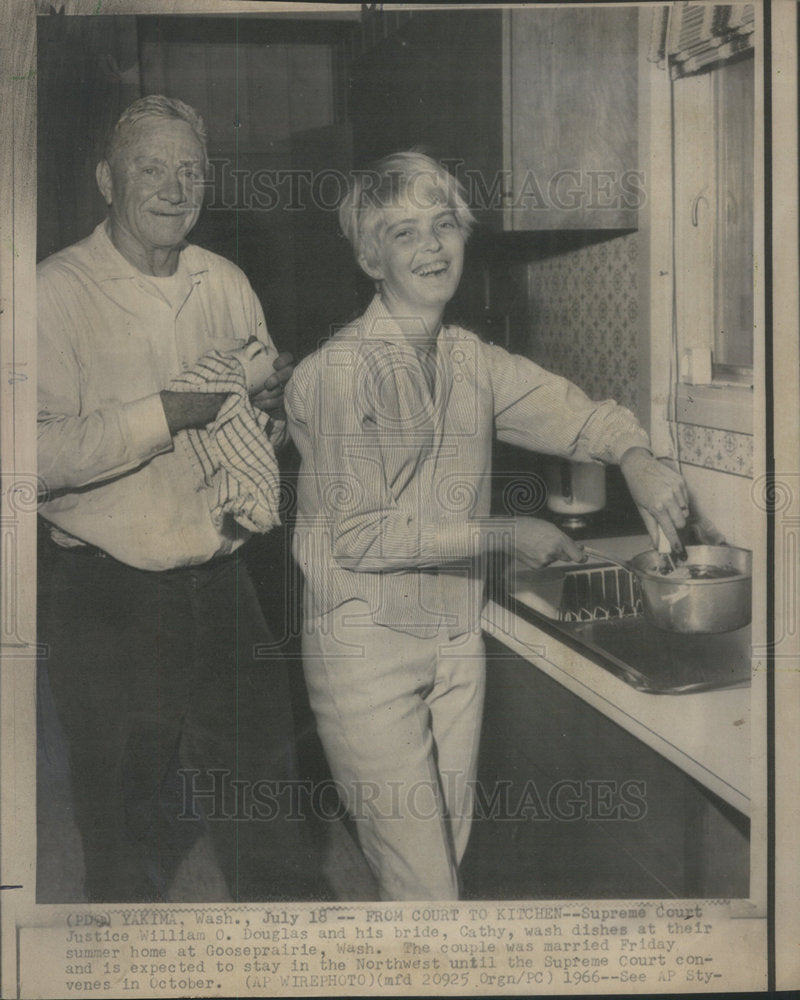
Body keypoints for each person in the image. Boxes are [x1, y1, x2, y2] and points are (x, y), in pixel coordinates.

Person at [284, 151, 691, 901]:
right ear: (371, 256)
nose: (434, 247)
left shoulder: (471, 360)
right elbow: (360, 535)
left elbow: (571, 414)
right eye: (405, 233)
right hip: (363, 650)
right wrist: (504, 532)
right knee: (426, 891)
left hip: (454, 635)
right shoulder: (336, 375)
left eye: (445, 225)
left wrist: (634, 454)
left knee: (444, 870)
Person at [37, 95, 321, 903]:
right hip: (106, 599)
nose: (173, 187)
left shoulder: (225, 283)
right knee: (122, 834)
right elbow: (27, 453)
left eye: (190, 169)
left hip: (226, 584)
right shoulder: (52, 292)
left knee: (268, 811)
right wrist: (165, 414)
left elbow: (260, 430)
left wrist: (271, 417)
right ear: (106, 179)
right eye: (150, 167)